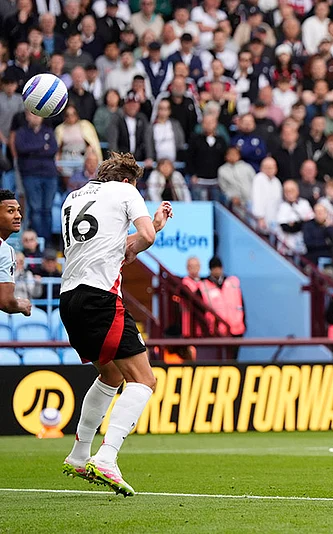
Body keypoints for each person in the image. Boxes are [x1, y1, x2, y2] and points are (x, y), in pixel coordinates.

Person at [60, 152, 173, 497]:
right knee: (145, 380)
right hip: (101, 298)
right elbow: (144, 239)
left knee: (110, 375)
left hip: (69, 298)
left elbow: (117, 249)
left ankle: (80, 455)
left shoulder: (73, 197)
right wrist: (153, 226)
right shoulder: (125, 191)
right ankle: (106, 456)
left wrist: (147, 232)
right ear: (127, 181)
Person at [14, 111, 58, 245]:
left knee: (48, 210)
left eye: (37, 115)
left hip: (49, 175)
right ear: (27, 116)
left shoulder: (48, 131)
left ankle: (47, 242)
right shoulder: (22, 132)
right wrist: (42, 146)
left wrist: (33, 150)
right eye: (32, 115)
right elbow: (21, 148)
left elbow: (53, 149)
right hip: (31, 175)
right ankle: (37, 242)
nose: (35, 117)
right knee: (36, 210)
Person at [198, 256, 245, 358]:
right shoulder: (204, 285)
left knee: (233, 358)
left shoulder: (232, 283)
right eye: (214, 268)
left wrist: (243, 323)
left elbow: (241, 304)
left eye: (219, 268)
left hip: (236, 329)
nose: (217, 271)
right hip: (216, 331)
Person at [0, 190, 33, 317]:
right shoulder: (4, 249)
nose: (18, 215)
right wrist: (22, 305)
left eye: (18, 210)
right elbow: (6, 302)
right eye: (10, 211)